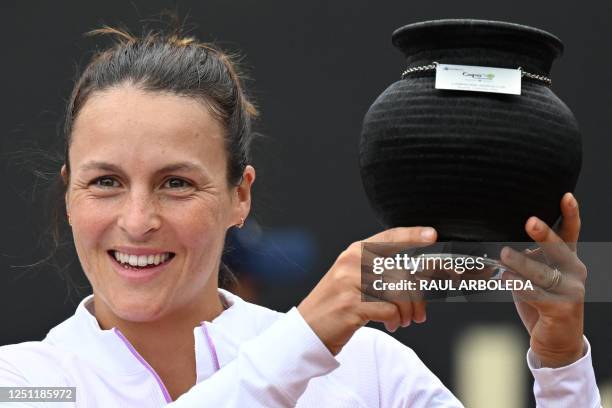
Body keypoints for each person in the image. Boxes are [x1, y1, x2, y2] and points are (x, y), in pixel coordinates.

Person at [0, 26, 601, 407]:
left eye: (176, 183)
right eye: (105, 182)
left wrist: (561, 364)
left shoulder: (369, 371)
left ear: (241, 196)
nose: (137, 219)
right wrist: (306, 338)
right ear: (69, 195)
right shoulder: (25, 384)